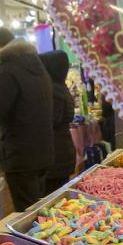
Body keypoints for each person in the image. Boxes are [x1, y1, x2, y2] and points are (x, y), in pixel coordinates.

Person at [0, 27, 54, 212]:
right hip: (42, 152)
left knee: (27, 215)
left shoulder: (7, 69)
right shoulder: (37, 65)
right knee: (38, 212)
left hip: (20, 155)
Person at [39, 50, 76, 195]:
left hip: (56, 156)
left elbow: (50, 121)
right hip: (62, 152)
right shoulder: (60, 87)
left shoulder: (53, 91)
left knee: (53, 197)